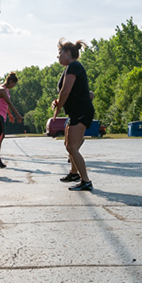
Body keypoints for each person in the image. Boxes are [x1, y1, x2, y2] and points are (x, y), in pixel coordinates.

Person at [52, 39, 95, 191]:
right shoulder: (70, 68)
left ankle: (86, 181)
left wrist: (58, 110)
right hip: (76, 111)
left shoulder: (74, 66)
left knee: (72, 146)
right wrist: (58, 102)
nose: (58, 56)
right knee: (68, 145)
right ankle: (74, 173)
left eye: (60, 53)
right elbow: (72, 92)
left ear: (68, 53)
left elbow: (65, 91)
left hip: (81, 111)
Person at [0, 72, 23, 168]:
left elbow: (5, 104)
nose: (14, 86)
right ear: (11, 81)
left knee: (1, 136)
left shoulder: (6, 90)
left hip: (1, 114)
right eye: (14, 84)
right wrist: (18, 115)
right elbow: (9, 102)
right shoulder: (2, 89)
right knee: (1, 135)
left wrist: (10, 114)